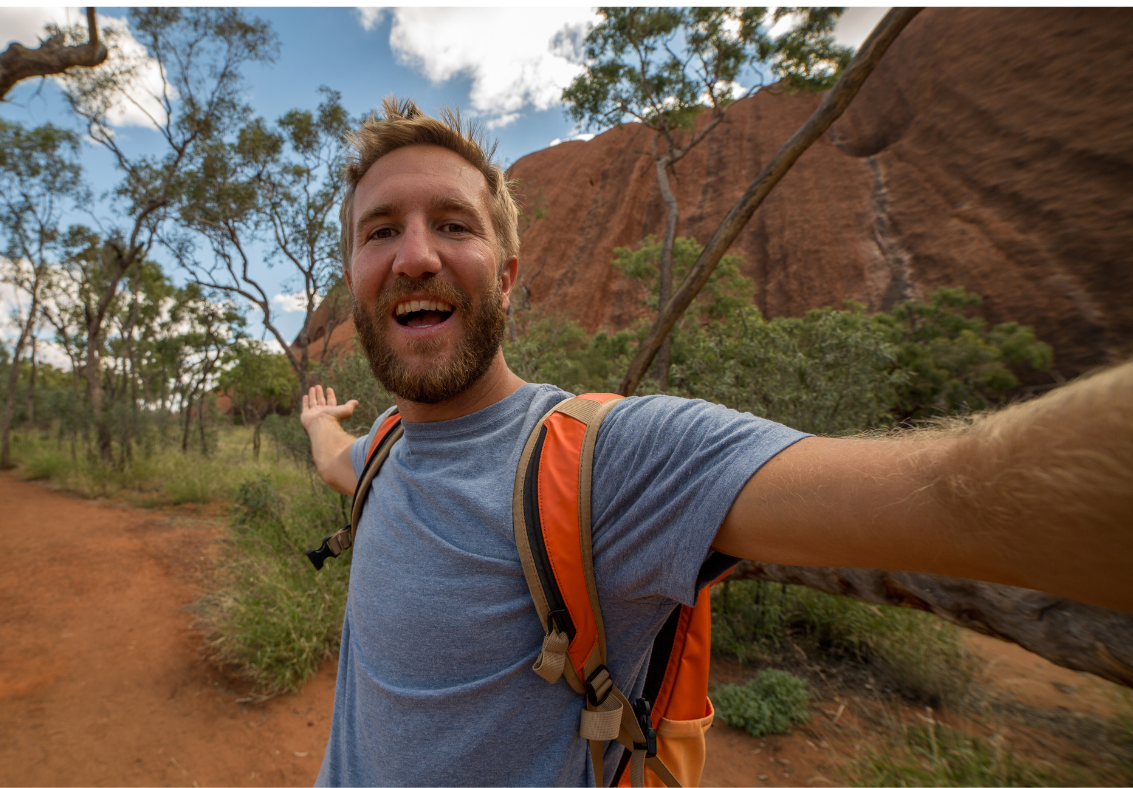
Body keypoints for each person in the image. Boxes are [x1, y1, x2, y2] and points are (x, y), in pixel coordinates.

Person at [298, 97, 1133, 787]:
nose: (414, 256)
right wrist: (318, 426)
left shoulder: (615, 461)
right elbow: (341, 463)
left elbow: (958, 494)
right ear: (355, 281)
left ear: (509, 278)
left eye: (452, 224)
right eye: (379, 231)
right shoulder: (383, 452)